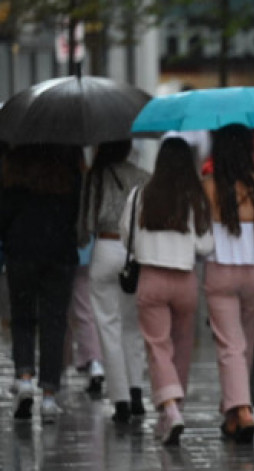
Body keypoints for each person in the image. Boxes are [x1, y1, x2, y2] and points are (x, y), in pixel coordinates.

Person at [121, 137, 214, 446]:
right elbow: (206, 244)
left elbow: (127, 237)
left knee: (158, 347)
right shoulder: (195, 198)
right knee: (182, 346)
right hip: (184, 279)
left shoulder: (140, 195)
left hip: (151, 278)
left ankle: (169, 409)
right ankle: (175, 407)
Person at [0, 144, 83, 423]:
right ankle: (48, 396)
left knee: (22, 317)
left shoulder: (13, 175)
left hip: (21, 252)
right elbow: (76, 216)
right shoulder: (67, 172)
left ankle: (24, 377)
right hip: (59, 254)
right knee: (54, 323)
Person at [201, 124, 254, 443]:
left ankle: (242, 410)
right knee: (244, 343)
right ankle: (232, 415)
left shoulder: (209, 186)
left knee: (230, 345)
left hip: (219, 270)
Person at [78, 139, 150, 423]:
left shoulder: (94, 177)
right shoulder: (143, 177)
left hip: (105, 249)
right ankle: (136, 392)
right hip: (134, 253)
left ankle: (119, 399)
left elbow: (85, 226)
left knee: (108, 326)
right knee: (133, 326)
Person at [64, 236, 105, 395]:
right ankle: (95, 362)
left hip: (59, 251)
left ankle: (59, 363)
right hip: (86, 251)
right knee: (85, 311)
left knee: (57, 312)